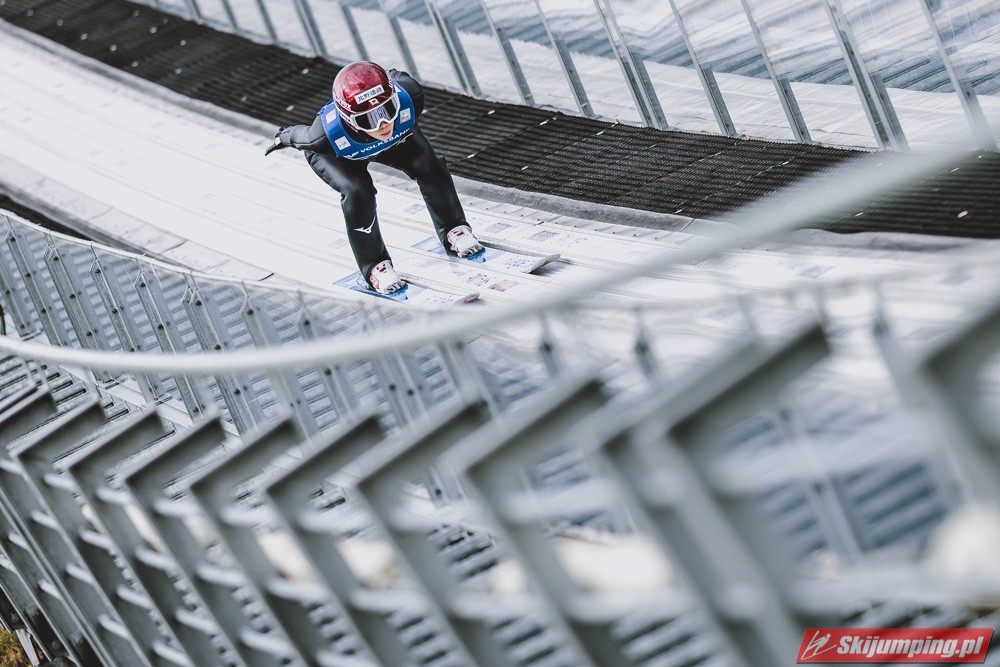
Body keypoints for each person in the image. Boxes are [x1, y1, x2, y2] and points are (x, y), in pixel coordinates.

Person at [264, 61, 484, 294]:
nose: (383, 124)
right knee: (358, 192)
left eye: (387, 109)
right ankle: (375, 267)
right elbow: (299, 136)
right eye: (368, 119)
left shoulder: (410, 94)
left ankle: (454, 228)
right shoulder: (323, 136)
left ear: (396, 99)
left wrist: (383, 80)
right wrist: (281, 137)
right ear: (350, 120)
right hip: (342, 155)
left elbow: (395, 76)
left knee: (429, 164)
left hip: (397, 141)